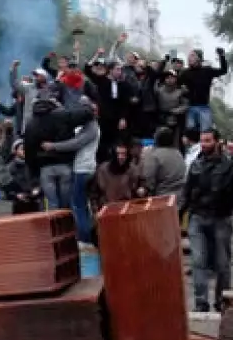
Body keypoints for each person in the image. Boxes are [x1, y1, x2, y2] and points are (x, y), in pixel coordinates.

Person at [180, 129, 233, 312]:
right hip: (198, 217)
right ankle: (201, 302)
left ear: (217, 142)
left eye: (208, 141)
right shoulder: (196, 165)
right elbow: (186, 192)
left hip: (221, 218)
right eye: (202, 141)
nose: (204, 144)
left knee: (222, 263)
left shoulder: (229, 165)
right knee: (198, 261)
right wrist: (178, 214)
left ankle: (222, 300)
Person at [44, 106, 100, 242]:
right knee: (81, 204)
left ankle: (84, 238)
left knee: (78, 205)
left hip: (83, 169)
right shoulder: (86, 125)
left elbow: (75, 143)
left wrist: (53, 146)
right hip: (83, 167)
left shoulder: (92, 128)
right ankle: (87, 233)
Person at [21, 93, 77, 210]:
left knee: (52, 203)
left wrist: (33, 170)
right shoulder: (61, 118)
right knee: (67, 202)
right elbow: (71, 139)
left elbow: (29, 150)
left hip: (45, 167)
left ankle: (54, 226)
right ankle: (69, 225)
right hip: (64, 164)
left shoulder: (31, 124)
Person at [179, 48, 229, 133]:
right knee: (190, 133)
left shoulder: (207, 70)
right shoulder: (185, 73)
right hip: (190, 107)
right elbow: (177, 85)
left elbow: (223, 70)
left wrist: (222, 56)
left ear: (199, 58)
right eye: (189, 56)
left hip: (204, 107)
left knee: (205, 132)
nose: (189, 58)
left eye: (192, 55)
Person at [91, 142, 145, 208]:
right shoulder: (102, 170)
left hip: (127, 206)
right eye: (118, 154)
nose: (121, 157)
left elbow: (141, 183)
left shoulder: (132, 169)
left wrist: (142, 188)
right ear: (113, 155)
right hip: (107, 207)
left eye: (124, 154)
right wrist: (95, 207)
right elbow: (94, 193)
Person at [141, 127, 187, 197]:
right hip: (181, 195)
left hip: (163, 197)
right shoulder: (178, 153)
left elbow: (149, 181)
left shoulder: (154, 155)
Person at [2, 140, 41, 214]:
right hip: (17, 202)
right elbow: (6, 186)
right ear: (15, 151)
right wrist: (16, 195)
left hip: (34, 199)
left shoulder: (33, 165)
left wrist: (37, 189)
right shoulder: (9, 168)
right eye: (22, 149)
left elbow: (38, 180)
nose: (25, 151)